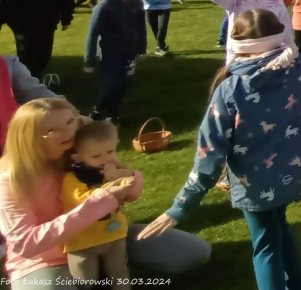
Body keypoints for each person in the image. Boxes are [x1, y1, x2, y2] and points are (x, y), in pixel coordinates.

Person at [139, 0, 301, 290]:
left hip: (257, 186)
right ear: (281, 35)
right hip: (293, 174)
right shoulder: (299, 69)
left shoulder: (230, 90)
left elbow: (209, 155)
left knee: (265, 245)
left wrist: (180, 207)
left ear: (236, 43)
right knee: (276, 227)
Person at [0, 98, 211, 285]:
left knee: (194, 252)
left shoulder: (80, 155)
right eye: (52, 130)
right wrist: (102, 201)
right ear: (30, 138)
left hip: (105, 236)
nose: (68, 131)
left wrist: (128, 177)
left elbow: (131, 193)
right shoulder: (11, 181)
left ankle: (107, 271)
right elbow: (24, 244)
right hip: (44, 261)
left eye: (69, 121)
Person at [61, 120, 133, 284]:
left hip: (115, 233)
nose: (105, 159)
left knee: (120, 273)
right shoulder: (73, 178)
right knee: (86, 280)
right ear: (78, 158)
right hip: (83, 242)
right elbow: (83, 200)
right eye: (96, 156)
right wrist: (110, 184)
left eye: (110, 151)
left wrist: (126, 176)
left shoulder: (116, 169)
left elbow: (129, 188)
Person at [83, 0, 146, 123]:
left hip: (129, 53)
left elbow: (141, 26)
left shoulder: (136, 2)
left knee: (123, 86)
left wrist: (141, 47)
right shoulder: (104, 7)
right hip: (111, 52)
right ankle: (98, 110)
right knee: (111, 84)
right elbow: (92, 34)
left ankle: (113, 115)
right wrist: (89, 60)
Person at [207, 0, 293, 64]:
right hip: (241, 56)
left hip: (270, 55)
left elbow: (285, 28)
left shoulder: (276, 0)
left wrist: (291, 50)